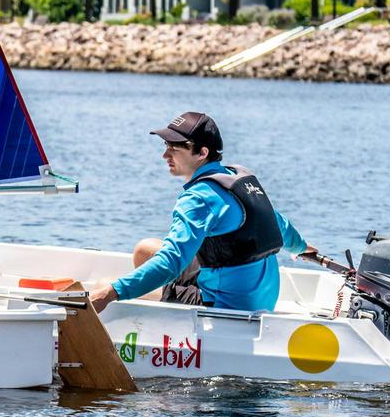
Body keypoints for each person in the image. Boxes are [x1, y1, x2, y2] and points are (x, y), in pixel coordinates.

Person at [90, 112, 316, 314]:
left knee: (103, 284)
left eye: (174, 148)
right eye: (166, 145)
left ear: (202, 153)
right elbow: (281, 226)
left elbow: (171, 263)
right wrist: (302, 248)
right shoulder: (238, 180)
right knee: (145, 249)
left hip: (227, 307)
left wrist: (112, 293)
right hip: (259, 297)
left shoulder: (198, 198)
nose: (165, 155)